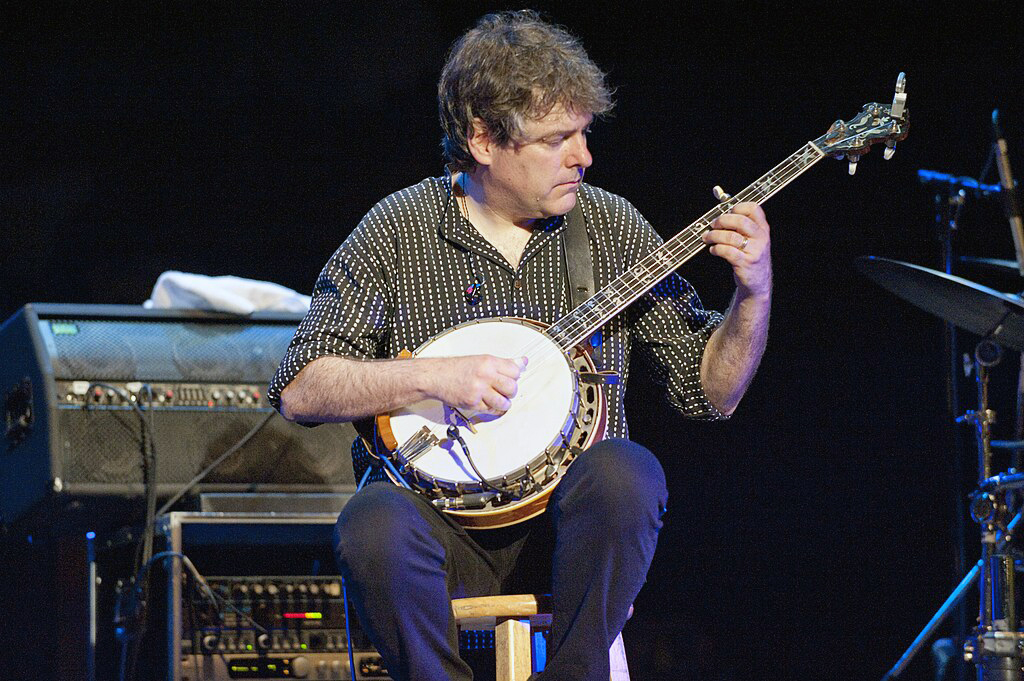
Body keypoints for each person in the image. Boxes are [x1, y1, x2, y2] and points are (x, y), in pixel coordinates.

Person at [269, 10, 770, 681]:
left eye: (584, 133)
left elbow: (710, 391)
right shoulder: (398, 228)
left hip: (567, 535)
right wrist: (432, 377)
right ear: (482, 138)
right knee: (372, 523)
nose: (583, 155)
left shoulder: (610, 226)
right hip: (439, 529)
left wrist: (754, 294)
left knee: (629, 473)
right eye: (557, 137)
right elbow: (302, 386)